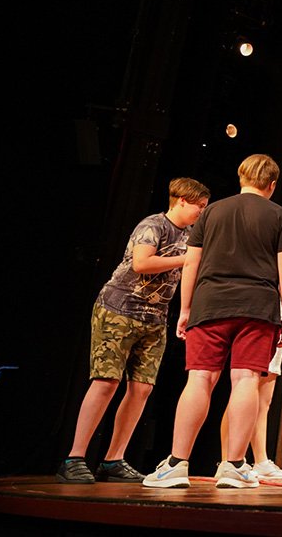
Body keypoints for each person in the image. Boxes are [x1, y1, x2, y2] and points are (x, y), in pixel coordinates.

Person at [143, 155, 282, 490]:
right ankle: (234, 466)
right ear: (272, 185)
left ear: (241, 176)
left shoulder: (211, 211)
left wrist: (185, 309)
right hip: (257, 308)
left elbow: (191, 264)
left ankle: (175, 465)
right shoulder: (280, 216)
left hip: (210, 303)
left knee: (199, 379)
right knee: (244, 380)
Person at [57, 178, 209, 484]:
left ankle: (113, 460)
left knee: (142, 389)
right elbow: (141, 263)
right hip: (118, 310)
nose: (201, 213)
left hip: (154, 319)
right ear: (180, 200)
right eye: (199, 206)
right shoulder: (153, 225)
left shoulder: (193, 235)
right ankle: (74, 457)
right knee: (106, 382)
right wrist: (188, 258)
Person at [216, 286, 282, 481]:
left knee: (263, 402)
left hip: (276, 325)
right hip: (261, 323)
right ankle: (227, 460)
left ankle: (260, 460)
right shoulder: (271, 262)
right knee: (243, 392)